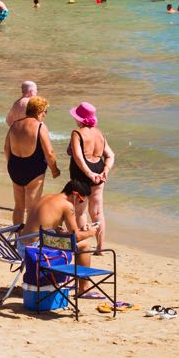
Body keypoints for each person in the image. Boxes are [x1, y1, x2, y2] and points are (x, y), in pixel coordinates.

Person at [23, 180, 101, 297]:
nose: (79, 204)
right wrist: (90, 232)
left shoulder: (47, 196)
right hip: (37, 250)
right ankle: (84, 289)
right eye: (80, 200)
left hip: (22, 245)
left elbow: (46, 227)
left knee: (77, 241)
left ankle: (82, 286)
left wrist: (64, 234)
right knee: (85, 245)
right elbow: (77, 237)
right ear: (74, 194)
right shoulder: (67, 205)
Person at [5, 96, 60, 226]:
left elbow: (7, 148)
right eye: (45, 111)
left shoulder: (14, 124)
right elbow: (49, 153)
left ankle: (18, 238)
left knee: (18, 206)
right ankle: (29, 241)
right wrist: (54, 170)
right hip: (33, 170)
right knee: (32, 209)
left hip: (15, 167)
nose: (45, 114)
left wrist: (11, 165)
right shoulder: (40, 126)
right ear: (39, 111)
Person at [67, 103, 115, 253]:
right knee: (97, 212)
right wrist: (105, 170)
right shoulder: (99, 133)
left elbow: (78, 156)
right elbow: (111, 155)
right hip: (99, 170)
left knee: (80, 211)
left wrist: (88, 174)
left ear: (79, 119)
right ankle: (100, 247)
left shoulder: (77, 133)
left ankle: (83, 246)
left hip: (81, 175)